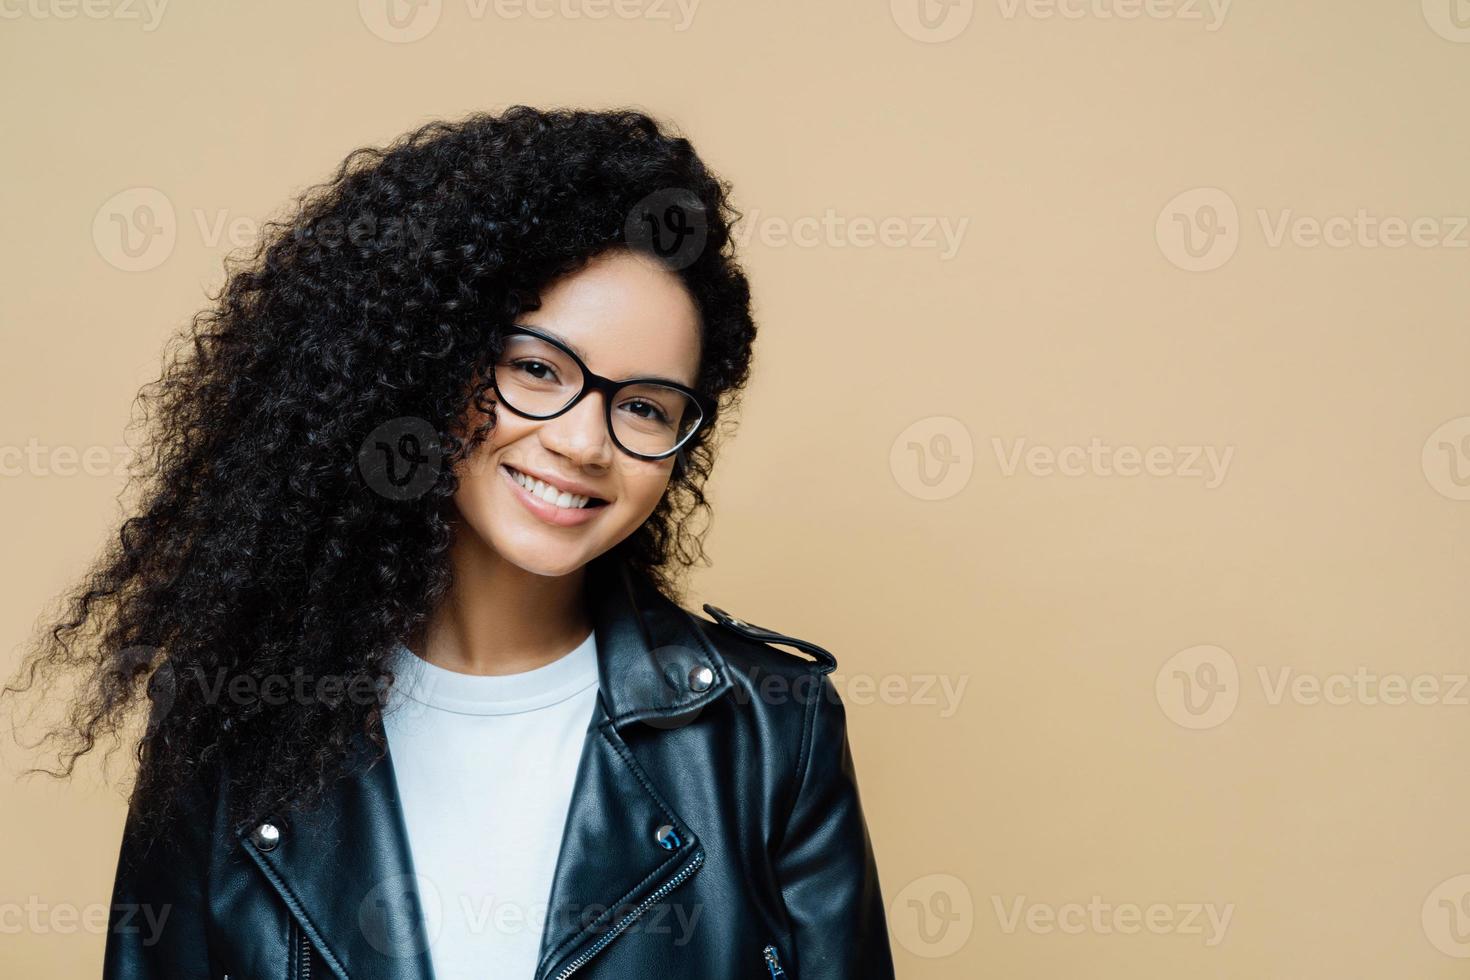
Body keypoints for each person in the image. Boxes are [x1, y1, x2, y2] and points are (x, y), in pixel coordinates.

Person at [5, 106, 895, 979]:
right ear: (426, 361)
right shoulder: (231, 713)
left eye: (644, 406)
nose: (586, 443)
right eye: (537, 369)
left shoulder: (771, 727)